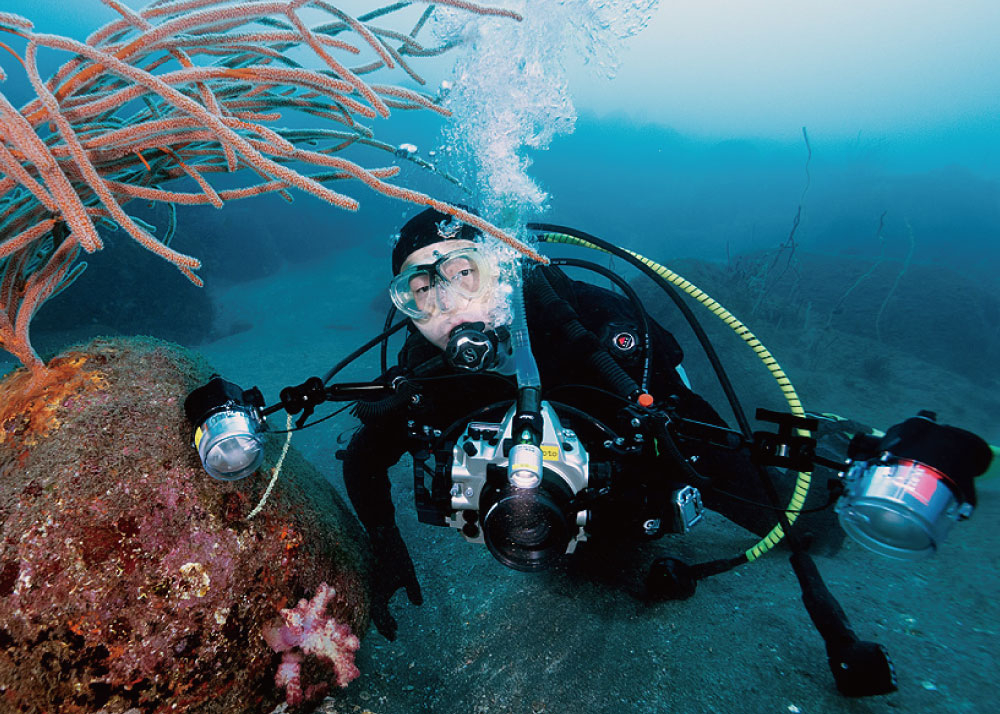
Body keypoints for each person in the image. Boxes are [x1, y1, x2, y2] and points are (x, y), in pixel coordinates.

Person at [340, 207, 826, 641]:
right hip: (545, 529)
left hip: (631, 514)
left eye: (464, 272)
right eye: (421, 290)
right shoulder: (424, 375)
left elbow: (706, 445)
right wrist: (385, 547)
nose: (446, 303)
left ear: (500, 269)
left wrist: (785, 510)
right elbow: (364, 458)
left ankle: (835, 448)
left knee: (803, 522)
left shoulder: (590, 329)